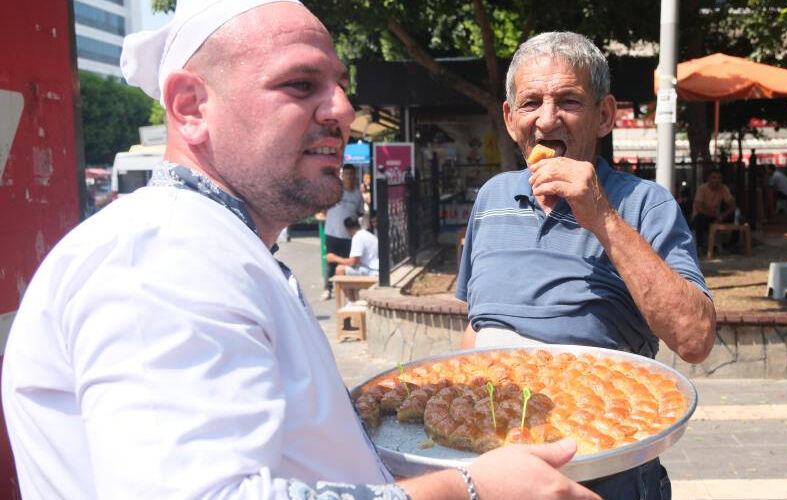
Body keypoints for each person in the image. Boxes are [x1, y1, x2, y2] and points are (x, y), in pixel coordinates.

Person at [1, 2, 599, 499]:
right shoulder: (160, 253)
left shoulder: (213, 245)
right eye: (300, 84)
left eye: (339, 85)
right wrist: (468, 488)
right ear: (190, 107)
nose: (342, 108)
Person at [456, 31, 716, 499]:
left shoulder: (644, 205)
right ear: (510, 117)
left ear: (604, 116)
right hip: (495, 472)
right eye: (531, 102)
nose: (547, 118)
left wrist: (602, 217)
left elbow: (695, 340)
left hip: (603, 472)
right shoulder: (491, 198)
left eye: (569, 101)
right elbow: (478, 325)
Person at [321, 164, 364, 300]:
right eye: (346, 174)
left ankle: (347, 290)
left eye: (351, 174)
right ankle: (328, 288)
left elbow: (360, 213)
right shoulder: (335, 190)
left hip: (349, 236)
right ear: (342, 175)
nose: (349, 177)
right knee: (331, 262)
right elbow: (324, 207)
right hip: (332, 233)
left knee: (347, 262)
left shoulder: (357, 195)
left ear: (354, 175)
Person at [690, 168, 737, 253]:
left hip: (716, 217)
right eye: (714, 177)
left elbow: (732, 205)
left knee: (737, 217)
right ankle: (700, 246)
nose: (717, 180)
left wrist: (723, 215)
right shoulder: (702, 188)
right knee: (699, 218)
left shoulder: (723, 188)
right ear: (709, 179)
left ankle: (732, 245)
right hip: (703, 217)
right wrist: (715, 215)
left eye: (719, 178)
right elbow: (698, 208)